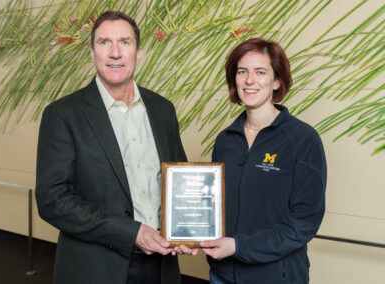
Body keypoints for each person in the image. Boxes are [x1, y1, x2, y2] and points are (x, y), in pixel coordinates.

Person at [35, 10, 193, 284]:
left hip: (162, 265)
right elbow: (52, 200)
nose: (115, 52)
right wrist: (131, 232)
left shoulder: (163, 110)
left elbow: (181, 178)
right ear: (92, 52)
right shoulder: (63, 115)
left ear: (139, 53)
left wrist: (187, 229)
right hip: (96, 268)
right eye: (104, 42)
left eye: (125, 42)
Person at [200, 38, 327, 283]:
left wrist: (239, 246)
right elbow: (212, 207)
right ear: (234, 79)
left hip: (276, 277)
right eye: (242, 72)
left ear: (277, 81)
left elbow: (303, 223)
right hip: (222, 275)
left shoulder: (303, 139)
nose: (250, 80)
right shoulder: (225, 140)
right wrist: (188, 236)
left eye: (260, 72)